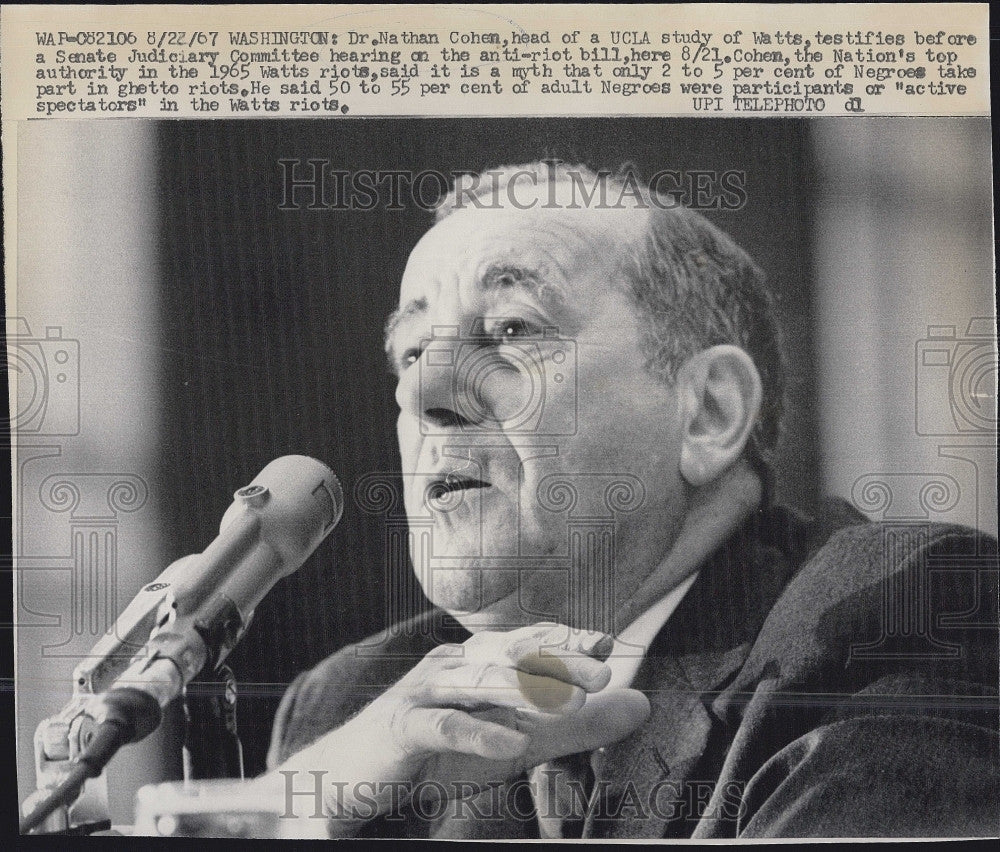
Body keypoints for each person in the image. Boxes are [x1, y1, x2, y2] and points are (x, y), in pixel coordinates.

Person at [257, 162, 999, 839]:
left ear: (708, 413)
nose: (422, 393)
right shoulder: (349, 707)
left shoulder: (900, 613)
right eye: (412, 351)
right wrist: (298, 814)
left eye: (512, 329)